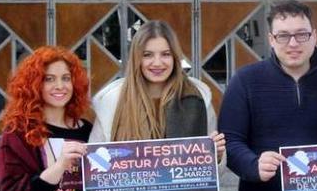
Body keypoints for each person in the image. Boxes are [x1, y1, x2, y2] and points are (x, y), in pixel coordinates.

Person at [219, 0, 317, 191]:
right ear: (272, 39)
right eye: (283, 36)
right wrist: (254, 164)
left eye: (301, 34)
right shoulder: (245, 81)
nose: (293, 43)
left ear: (314, 36)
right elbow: (230, 141)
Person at [0, 46, 92, 191]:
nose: (60, 86)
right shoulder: (18, 134)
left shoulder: (88, 131)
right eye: (49, 79)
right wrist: (59, 166)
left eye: (66, 78)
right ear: (35, 85)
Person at [89, 20, 225, 160]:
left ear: (175, 57)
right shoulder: (112, 100)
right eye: (148, 55)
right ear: (137, 58)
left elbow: (211, 173)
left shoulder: (196, 97)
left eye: (165, 54)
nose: (157, 63)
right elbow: (95, 160)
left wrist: (217, 156)